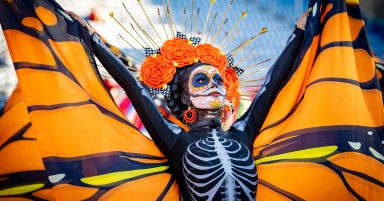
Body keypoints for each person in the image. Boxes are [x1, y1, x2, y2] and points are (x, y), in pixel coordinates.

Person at [68, 8, 311, 201]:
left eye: (218, 79)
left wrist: (299, 33)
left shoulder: (242, 134)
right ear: (186, 98)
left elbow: (271, 85)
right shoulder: (176, 140)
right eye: (202, 80)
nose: (214, 84)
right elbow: (134, 88)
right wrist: (93, 39)